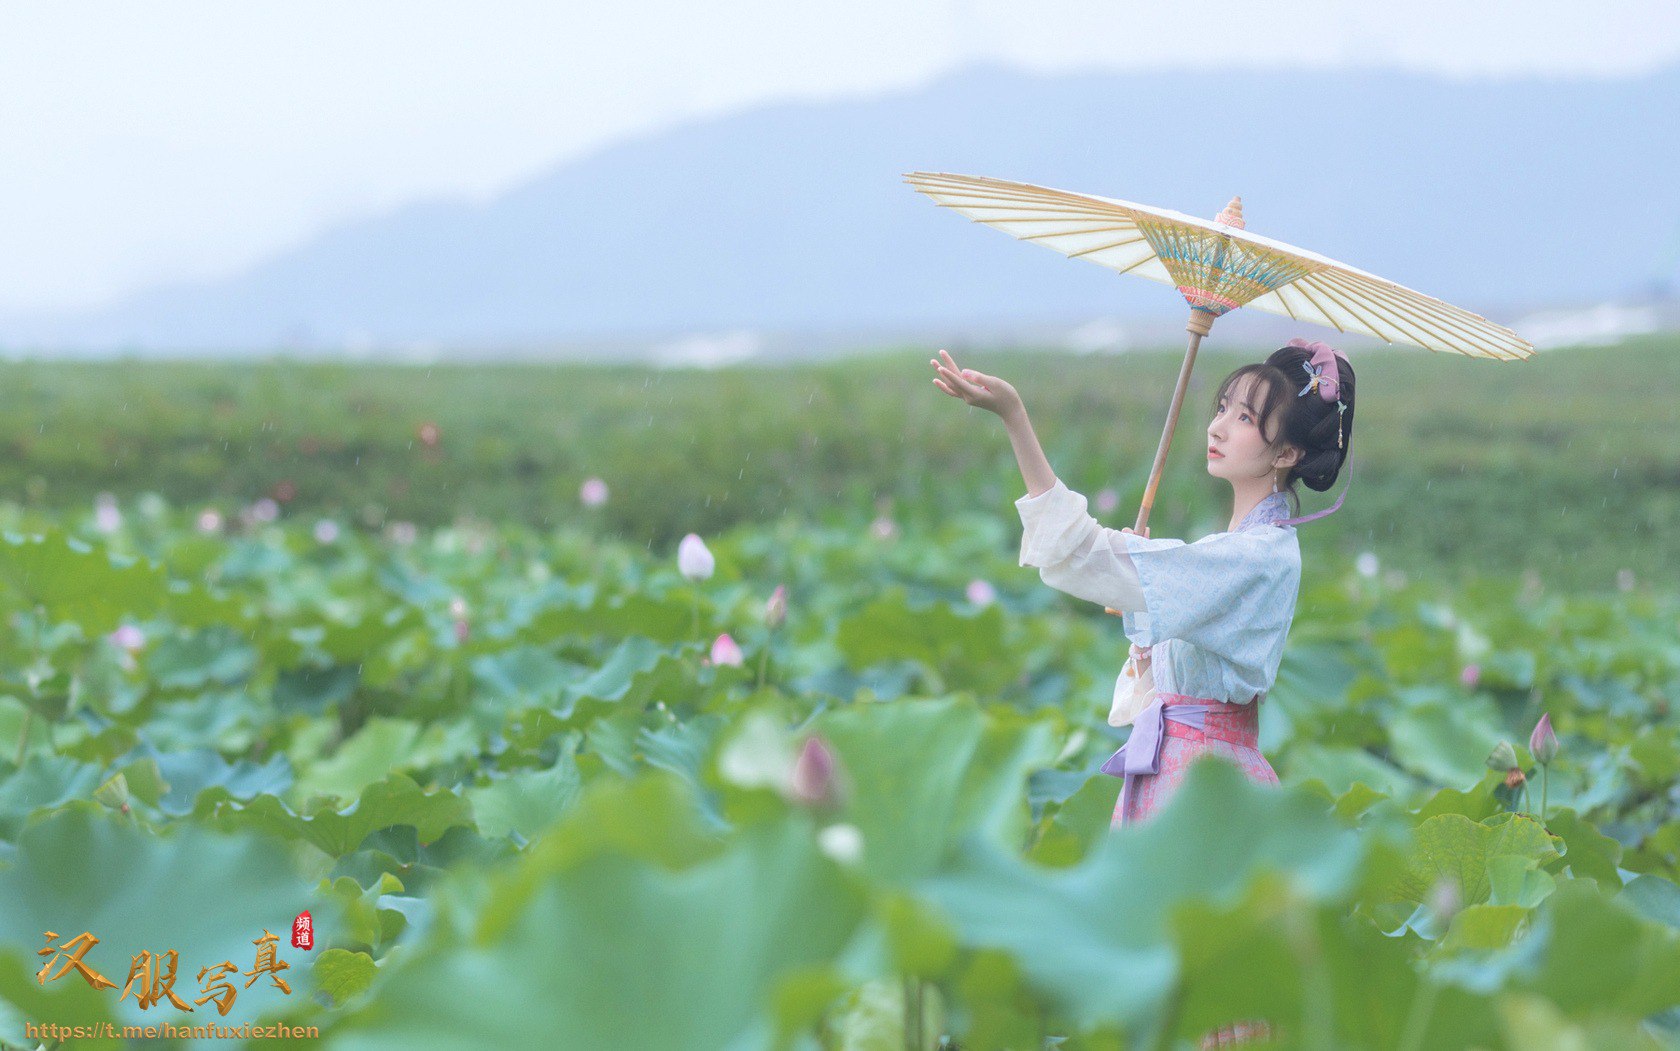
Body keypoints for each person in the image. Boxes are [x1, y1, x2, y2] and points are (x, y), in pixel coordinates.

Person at [931, 338, 1356, 1049]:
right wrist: (1148, 613)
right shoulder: (1238, 548)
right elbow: (1140, 605)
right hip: (1181, 775)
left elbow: (1086, 557)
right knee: (1176, 998)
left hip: (1206, 790)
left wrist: (1015, 416)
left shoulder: (1254, 557)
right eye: (1221, 407)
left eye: (1245, 418)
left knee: (1199, 1004)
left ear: (1285, 454)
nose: (1218, 425)